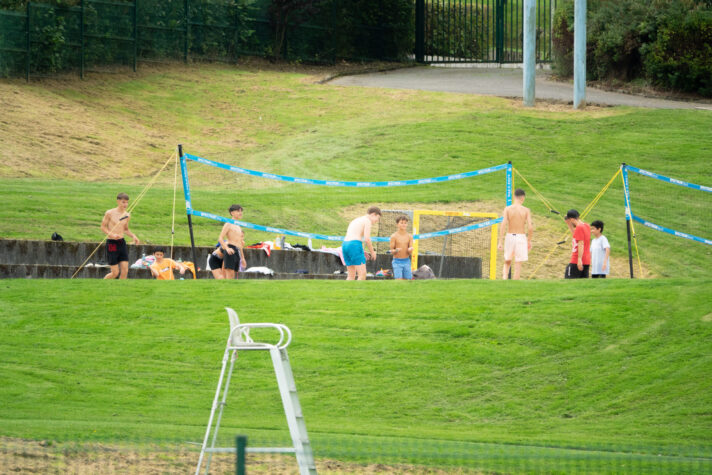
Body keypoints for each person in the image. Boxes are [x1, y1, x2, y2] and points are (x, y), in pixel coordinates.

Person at [101, 192, 140, 279]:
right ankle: (102, 283)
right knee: (115, 273)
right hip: (112, 243)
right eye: (123, 202)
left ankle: (122, 289)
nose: (125, 204)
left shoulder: (127, 215)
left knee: (125, 271)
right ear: (118, 201)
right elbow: (103, 227)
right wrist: (112, 235)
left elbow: (125, 229)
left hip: (121, 243)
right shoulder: (109, 213)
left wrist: (133, 236)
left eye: (127, 202)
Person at [497, 188, 533, 280]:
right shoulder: (526, 210)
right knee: (518, 262)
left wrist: (500, 241)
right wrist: (529, 241)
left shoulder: (508, 209)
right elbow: (530, 227)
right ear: (523, 198)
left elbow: (503, 225)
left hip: (510, 236)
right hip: (521, 236)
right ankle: (515, 281)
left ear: (514, 196)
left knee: (507, 259)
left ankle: (504, 278)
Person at [343, 206, 381, 280]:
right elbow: (367, 239)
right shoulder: (367, 221)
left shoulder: (357, 219)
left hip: (345, 244)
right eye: (378, 218)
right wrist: (372, 252)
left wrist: (361, 250)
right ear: (373, 214)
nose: (377, 221)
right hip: (354, 244)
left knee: (351, 275)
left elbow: (353, 235)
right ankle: (359, 291)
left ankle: (347, 291)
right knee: (362, 274)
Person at [218, 204, 247, 280]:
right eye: (238, 211)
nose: (240, 213)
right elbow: (220, 238)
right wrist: (227, 248)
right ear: (232, 213)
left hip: (237, 251)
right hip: (230, 249)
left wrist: (243, 258)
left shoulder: (239, 226)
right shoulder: (228, 224)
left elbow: (240, 244)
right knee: (229, 276)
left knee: (234, 276)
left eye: (241, 211)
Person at [564, 209, 591, 279]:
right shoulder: (586, 226)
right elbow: (576, 236)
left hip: (576, 261)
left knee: (568, 283)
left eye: (570, 220)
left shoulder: (579, 228)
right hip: (586, 261)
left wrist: (579, 260)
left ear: (572, 219)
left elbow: (581, 243)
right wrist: (569, 224)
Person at [389, 215, 414, 280]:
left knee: (408, 280)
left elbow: (410, 251)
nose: (404, 224)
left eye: (405, 223)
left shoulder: (410, 236)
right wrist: (396, 250)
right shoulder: (393, 236)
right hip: (397, 261)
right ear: (397, 224)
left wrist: (410, 249)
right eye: (402, 223)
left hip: (406, 261)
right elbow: (391, 251)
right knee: (399, 280)